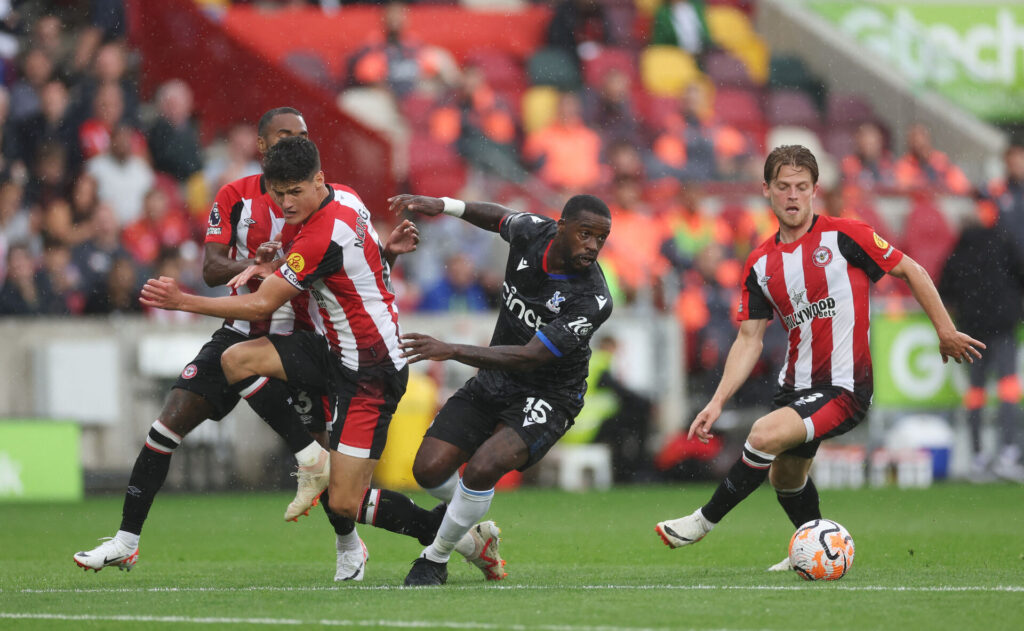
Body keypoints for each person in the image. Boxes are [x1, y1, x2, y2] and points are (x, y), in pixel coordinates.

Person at [137, 136, 500, 584]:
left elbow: (260, 307)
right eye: (278, 192)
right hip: (332, 349)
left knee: (345, 503)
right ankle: (311, 458)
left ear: (318, 181)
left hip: (371, 369)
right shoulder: (344, 198)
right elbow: (360, 267)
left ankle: (462, 539)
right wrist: (379, 253)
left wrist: (183, 301)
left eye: (295, 191)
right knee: (236, 360)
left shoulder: (321, 234)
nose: (286, 202)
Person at [72, 108, 414, 580]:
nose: (292, 144)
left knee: (345, 493)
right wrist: (253, 264)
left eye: (301, 136)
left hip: (305, 337)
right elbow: (215, 268)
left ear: (315, 172)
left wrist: (187, 300)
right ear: (261, 146)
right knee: (167, 425)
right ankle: (126, 541)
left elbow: (338, 270)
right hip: (242, 335)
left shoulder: (319, 214)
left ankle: (363, 541)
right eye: (282, 137)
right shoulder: (240, 197)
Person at [653, 145, 983, 570]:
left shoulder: (846, 235)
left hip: (846, 386)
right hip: (796, 385)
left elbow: (911, 270)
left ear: (814, 191)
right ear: (767, 191)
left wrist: (944, 329)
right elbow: (749, 338)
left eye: (802, 187)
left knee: (764, 434)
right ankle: (818, 548)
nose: (793, 196)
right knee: (786, 477)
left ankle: (702, 522)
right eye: (784, 187)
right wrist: (716, 401)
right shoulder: (759, 263)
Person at [388, 191, 614, 586]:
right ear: (561, 227)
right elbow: (497, 217)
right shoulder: (533, 232)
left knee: (482, 467)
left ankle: (434, 559)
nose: (592, 246)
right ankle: (474, 538)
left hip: (549, 395)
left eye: (600, 238)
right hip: (496, 380)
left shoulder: (593, 298)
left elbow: (529, 356)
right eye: (585, 234)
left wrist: (451, 349)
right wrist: (447, 206)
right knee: (426, 469)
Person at [939, 205, 1024, 482]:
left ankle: (978, 456)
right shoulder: (1003, 240)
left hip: (972, 332)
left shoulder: (959, 248)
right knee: (1008, 388)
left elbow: (944, 290)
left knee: (976, 392)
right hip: (1002, 327)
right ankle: (1009, 452)